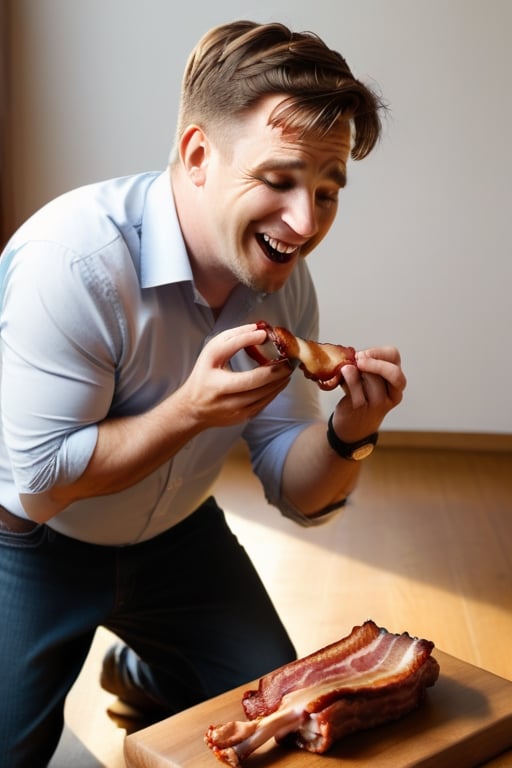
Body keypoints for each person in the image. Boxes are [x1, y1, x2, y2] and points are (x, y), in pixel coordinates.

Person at [0, 19, 406, 766]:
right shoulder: (74, 262)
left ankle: (148, 670)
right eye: (280, 180)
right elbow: (41, 481)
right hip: (28, 545)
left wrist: (352, 431)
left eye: (326, 190)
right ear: (196, 155)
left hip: (178, 541)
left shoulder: (281, 284)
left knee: (283, 728)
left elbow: (297, 489)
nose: (304, 222)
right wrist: (189, 409)